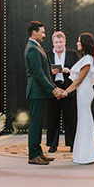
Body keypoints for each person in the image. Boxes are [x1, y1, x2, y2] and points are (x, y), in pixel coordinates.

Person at [24, 21, 65, 165]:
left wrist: (54, 87)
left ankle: (38, 153)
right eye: (42, 32)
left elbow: (46, 72)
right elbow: (38, 74)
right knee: (35, 125)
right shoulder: (32, 49)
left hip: (41, 92)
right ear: (34, 32)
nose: (44, 35)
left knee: (39, 124)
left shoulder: (36, 47)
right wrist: (53, 89)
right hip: (36, 92)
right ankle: (33, 155)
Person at [64, 33, 94, 165]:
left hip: (85, 92)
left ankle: (86, 155)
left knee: (85, 119)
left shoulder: (87, 59)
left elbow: (79, 79)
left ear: (85, 43)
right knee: (83, 119)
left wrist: (66, 91)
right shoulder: (87, 58)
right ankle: (82, 154)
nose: (77, 43)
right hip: (83, 92)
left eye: (79, 41)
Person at [46, 30, 79, 153]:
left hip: (68, 89)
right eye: (56, 42)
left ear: (65, 42)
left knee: (70, 117)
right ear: (53, 43)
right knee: (52, 117)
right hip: (53, 89)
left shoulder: (73, 54)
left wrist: (69, 70)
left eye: (61, 42)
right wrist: (51, 72)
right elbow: (43, 72)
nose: (59, 44)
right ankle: (52, 145)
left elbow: (80, 70)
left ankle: (72, 144)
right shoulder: (47, 54)